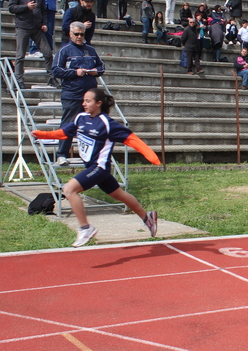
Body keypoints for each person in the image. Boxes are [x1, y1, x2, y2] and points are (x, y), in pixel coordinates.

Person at [32, 88, 159, 247]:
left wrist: (152, 157)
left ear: (99, 103)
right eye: (84, 100)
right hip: (92, 167)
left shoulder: (107, 123)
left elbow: (132, 139)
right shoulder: (81, 118)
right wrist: (42, 134)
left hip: (99, 168)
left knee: (69, 190)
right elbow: (64, 133)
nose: (83, 104)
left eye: (88, 101)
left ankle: (86, 228)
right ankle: (148, 218)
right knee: (120, 195)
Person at [51, 22, 105, 166]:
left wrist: (96, 72)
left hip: (90, 95)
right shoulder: (65, 50)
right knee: (69, 124)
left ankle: (88, 154)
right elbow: (56, 70)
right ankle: (62, 154)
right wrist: (75, 72)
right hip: (72, 94)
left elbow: (101, 66)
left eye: (82, 34)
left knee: (90, 125)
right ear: (70, 34)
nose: (80, 37)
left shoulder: (91, 50)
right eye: (77, 34)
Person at [8, 0, 52, 88]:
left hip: (37, 27)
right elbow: (11, 8)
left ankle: (51, 77)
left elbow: (44, 10)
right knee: (20, 55)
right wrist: (26, 7)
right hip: (23, 26)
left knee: (48, 53)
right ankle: (19, 80)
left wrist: (44, 23)